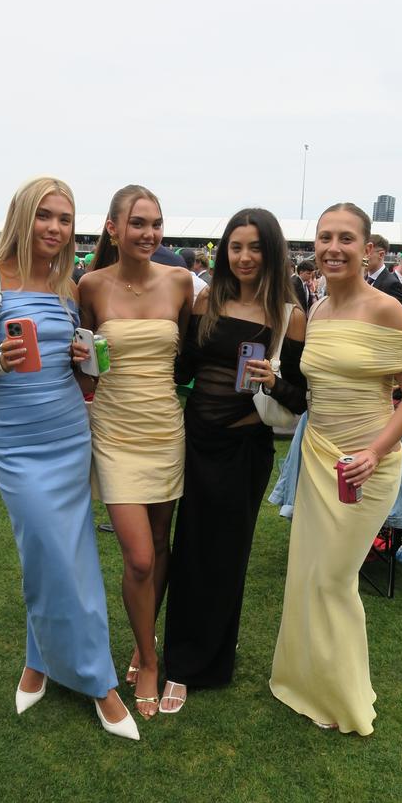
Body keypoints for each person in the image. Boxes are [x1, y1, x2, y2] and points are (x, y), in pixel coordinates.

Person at [0, 176, 138, 741]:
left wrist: (86, 356)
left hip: (69, 433)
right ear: (23, 217)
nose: (55, 228)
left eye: (65, 219)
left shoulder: (66, 284)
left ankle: (40, 660)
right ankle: (99, 682)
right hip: (17, 443)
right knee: (50, 553)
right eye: (45, 216)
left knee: (65, 553)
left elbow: (80, 370)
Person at [270, 202, 402, 736]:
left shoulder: (387, 310)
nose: (333, 247)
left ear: (367, 248)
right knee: (308, 573)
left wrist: (376, 450)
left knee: (334, 578)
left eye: (345, 238)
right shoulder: (315, 309)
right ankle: (306, 681)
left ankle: (343, 696)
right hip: (317, 457)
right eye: (324, 237)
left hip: (367, 466)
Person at [160, 208, 307, 714]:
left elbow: (301, 398)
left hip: (244, 449)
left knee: (226, 557)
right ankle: (178, 661)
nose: (244, 257)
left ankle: (209, 660)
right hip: (195, 442)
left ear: (272, 251)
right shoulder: (207, 299)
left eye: (255, 247)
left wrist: (273, 379)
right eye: (235, 246)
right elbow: (183, 368)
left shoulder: (291, 313)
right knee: (189, 550)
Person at [77, 184, 193, 721]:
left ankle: (141, 636)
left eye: (156, 224)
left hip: (166, 429)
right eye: (139, 223)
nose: (149, 234)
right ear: (113, 228)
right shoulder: (91, 285)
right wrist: (81, 358)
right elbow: (84, 367)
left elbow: (193, 352)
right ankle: (149, 659)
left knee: (162, 546)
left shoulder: (181, 283)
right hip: (116, 432)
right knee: (140, 557)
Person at [366, 234, 402, 306]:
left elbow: (400, 314)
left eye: (367, 252)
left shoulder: (392, 284)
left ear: (381, 255)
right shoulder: (363, 279)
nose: (362, 256)